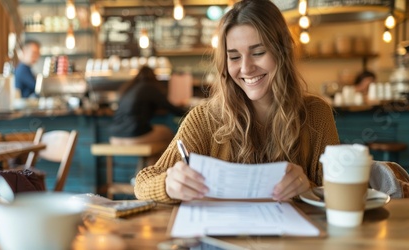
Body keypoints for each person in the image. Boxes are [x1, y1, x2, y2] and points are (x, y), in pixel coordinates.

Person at [134, 0, 340, 203]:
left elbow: (337, 192)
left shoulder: (317, 114)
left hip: (293, 236)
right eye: (234, 57)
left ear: (282, 52)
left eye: (258, 53)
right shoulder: (204, 119)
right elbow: (143, 183)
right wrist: (168, 185)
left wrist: (306, 188)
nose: (246, 68)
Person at [109, 66, 186, 146]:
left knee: (159, 138)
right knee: (167, 133)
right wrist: (189, 112)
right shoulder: (150, 88)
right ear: (154, 77)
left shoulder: (128, 89)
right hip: (135, 135)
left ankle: (152, 159)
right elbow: (171, 108)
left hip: (115, 136)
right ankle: (166, 159)